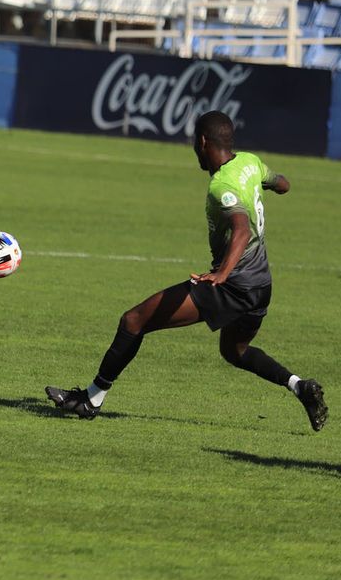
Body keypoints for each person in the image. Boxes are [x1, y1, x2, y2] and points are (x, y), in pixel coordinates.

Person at [46, 110, 326, 430]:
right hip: (261, 286)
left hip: (232, 285)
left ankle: (90, 399)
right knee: (235, 351)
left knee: (134, 320)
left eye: (195, 141)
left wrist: (222, 274)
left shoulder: (221, 185)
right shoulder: (250, 162)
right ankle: (300, 386)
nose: (194, 147)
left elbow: (242, 229)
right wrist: (275, 186)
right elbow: (282, 183)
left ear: (203, 142)